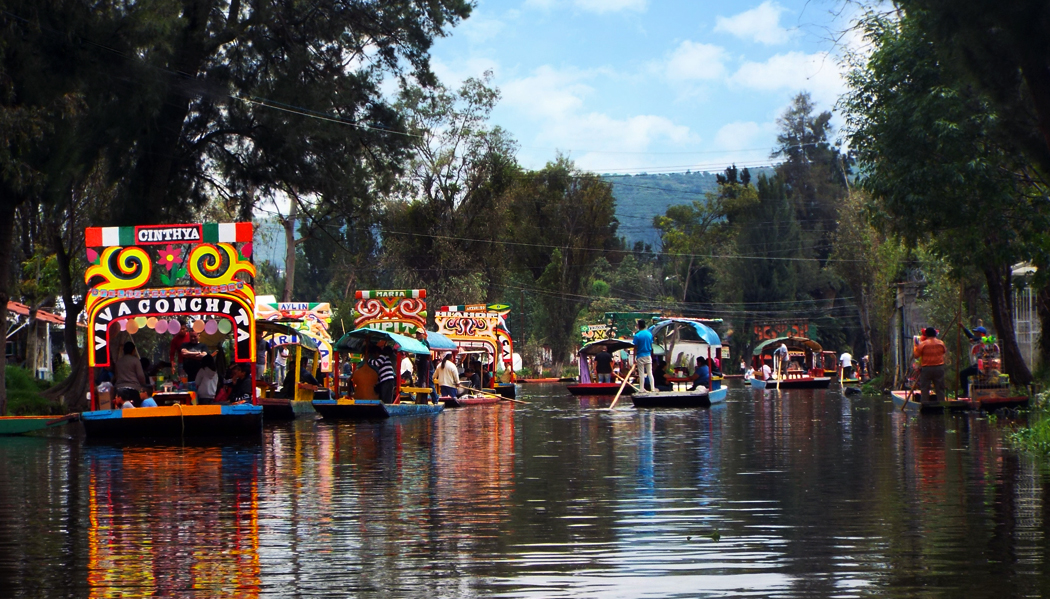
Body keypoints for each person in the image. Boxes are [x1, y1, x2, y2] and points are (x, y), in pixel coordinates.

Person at [913, 327, 947, 404]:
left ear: (926, 334)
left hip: (927, 368)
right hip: (939, 368)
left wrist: (915, 347)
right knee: (940, 388)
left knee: (925, 388)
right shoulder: (941, 343)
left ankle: (925, 405)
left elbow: (916, 356)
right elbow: (944, 351)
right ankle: (942, 404)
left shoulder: (923, 344)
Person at [633, 319, 656, 392]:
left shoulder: (637, 335)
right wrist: (652, 356)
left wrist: (634, 357)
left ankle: (642, 388)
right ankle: (652, 388)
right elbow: (651, 346)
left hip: (640, 356)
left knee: (641, 373)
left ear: (639, 326)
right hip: (648, 355)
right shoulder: (649, 334)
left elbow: (635, 347)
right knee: (650, 373)